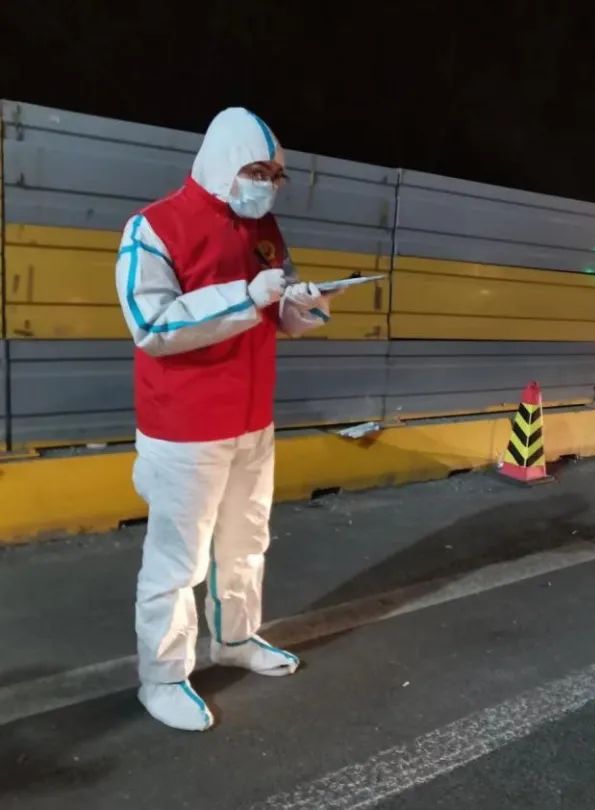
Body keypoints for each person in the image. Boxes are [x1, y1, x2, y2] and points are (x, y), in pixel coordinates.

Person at [114, 108, 334, 732]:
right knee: (177, 562)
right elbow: (152, 324)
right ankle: (162, 677)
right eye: (257, 171)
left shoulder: (265, 230)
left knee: (245, 544)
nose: (268, 185)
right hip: (183, 428)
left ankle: (235, 639)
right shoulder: (154, 227)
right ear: (221, 163)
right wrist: (246, 295)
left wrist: (304, 305)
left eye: (276, 175)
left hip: (252, 422)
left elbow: (274, 313)